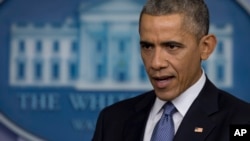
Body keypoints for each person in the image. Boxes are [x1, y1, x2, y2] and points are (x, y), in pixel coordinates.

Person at [92, 0, 250, 141]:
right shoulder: (112, 120)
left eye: (171, 46)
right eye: (147, 46)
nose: (156, 63)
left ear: (205, 47)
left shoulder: (242, 122)